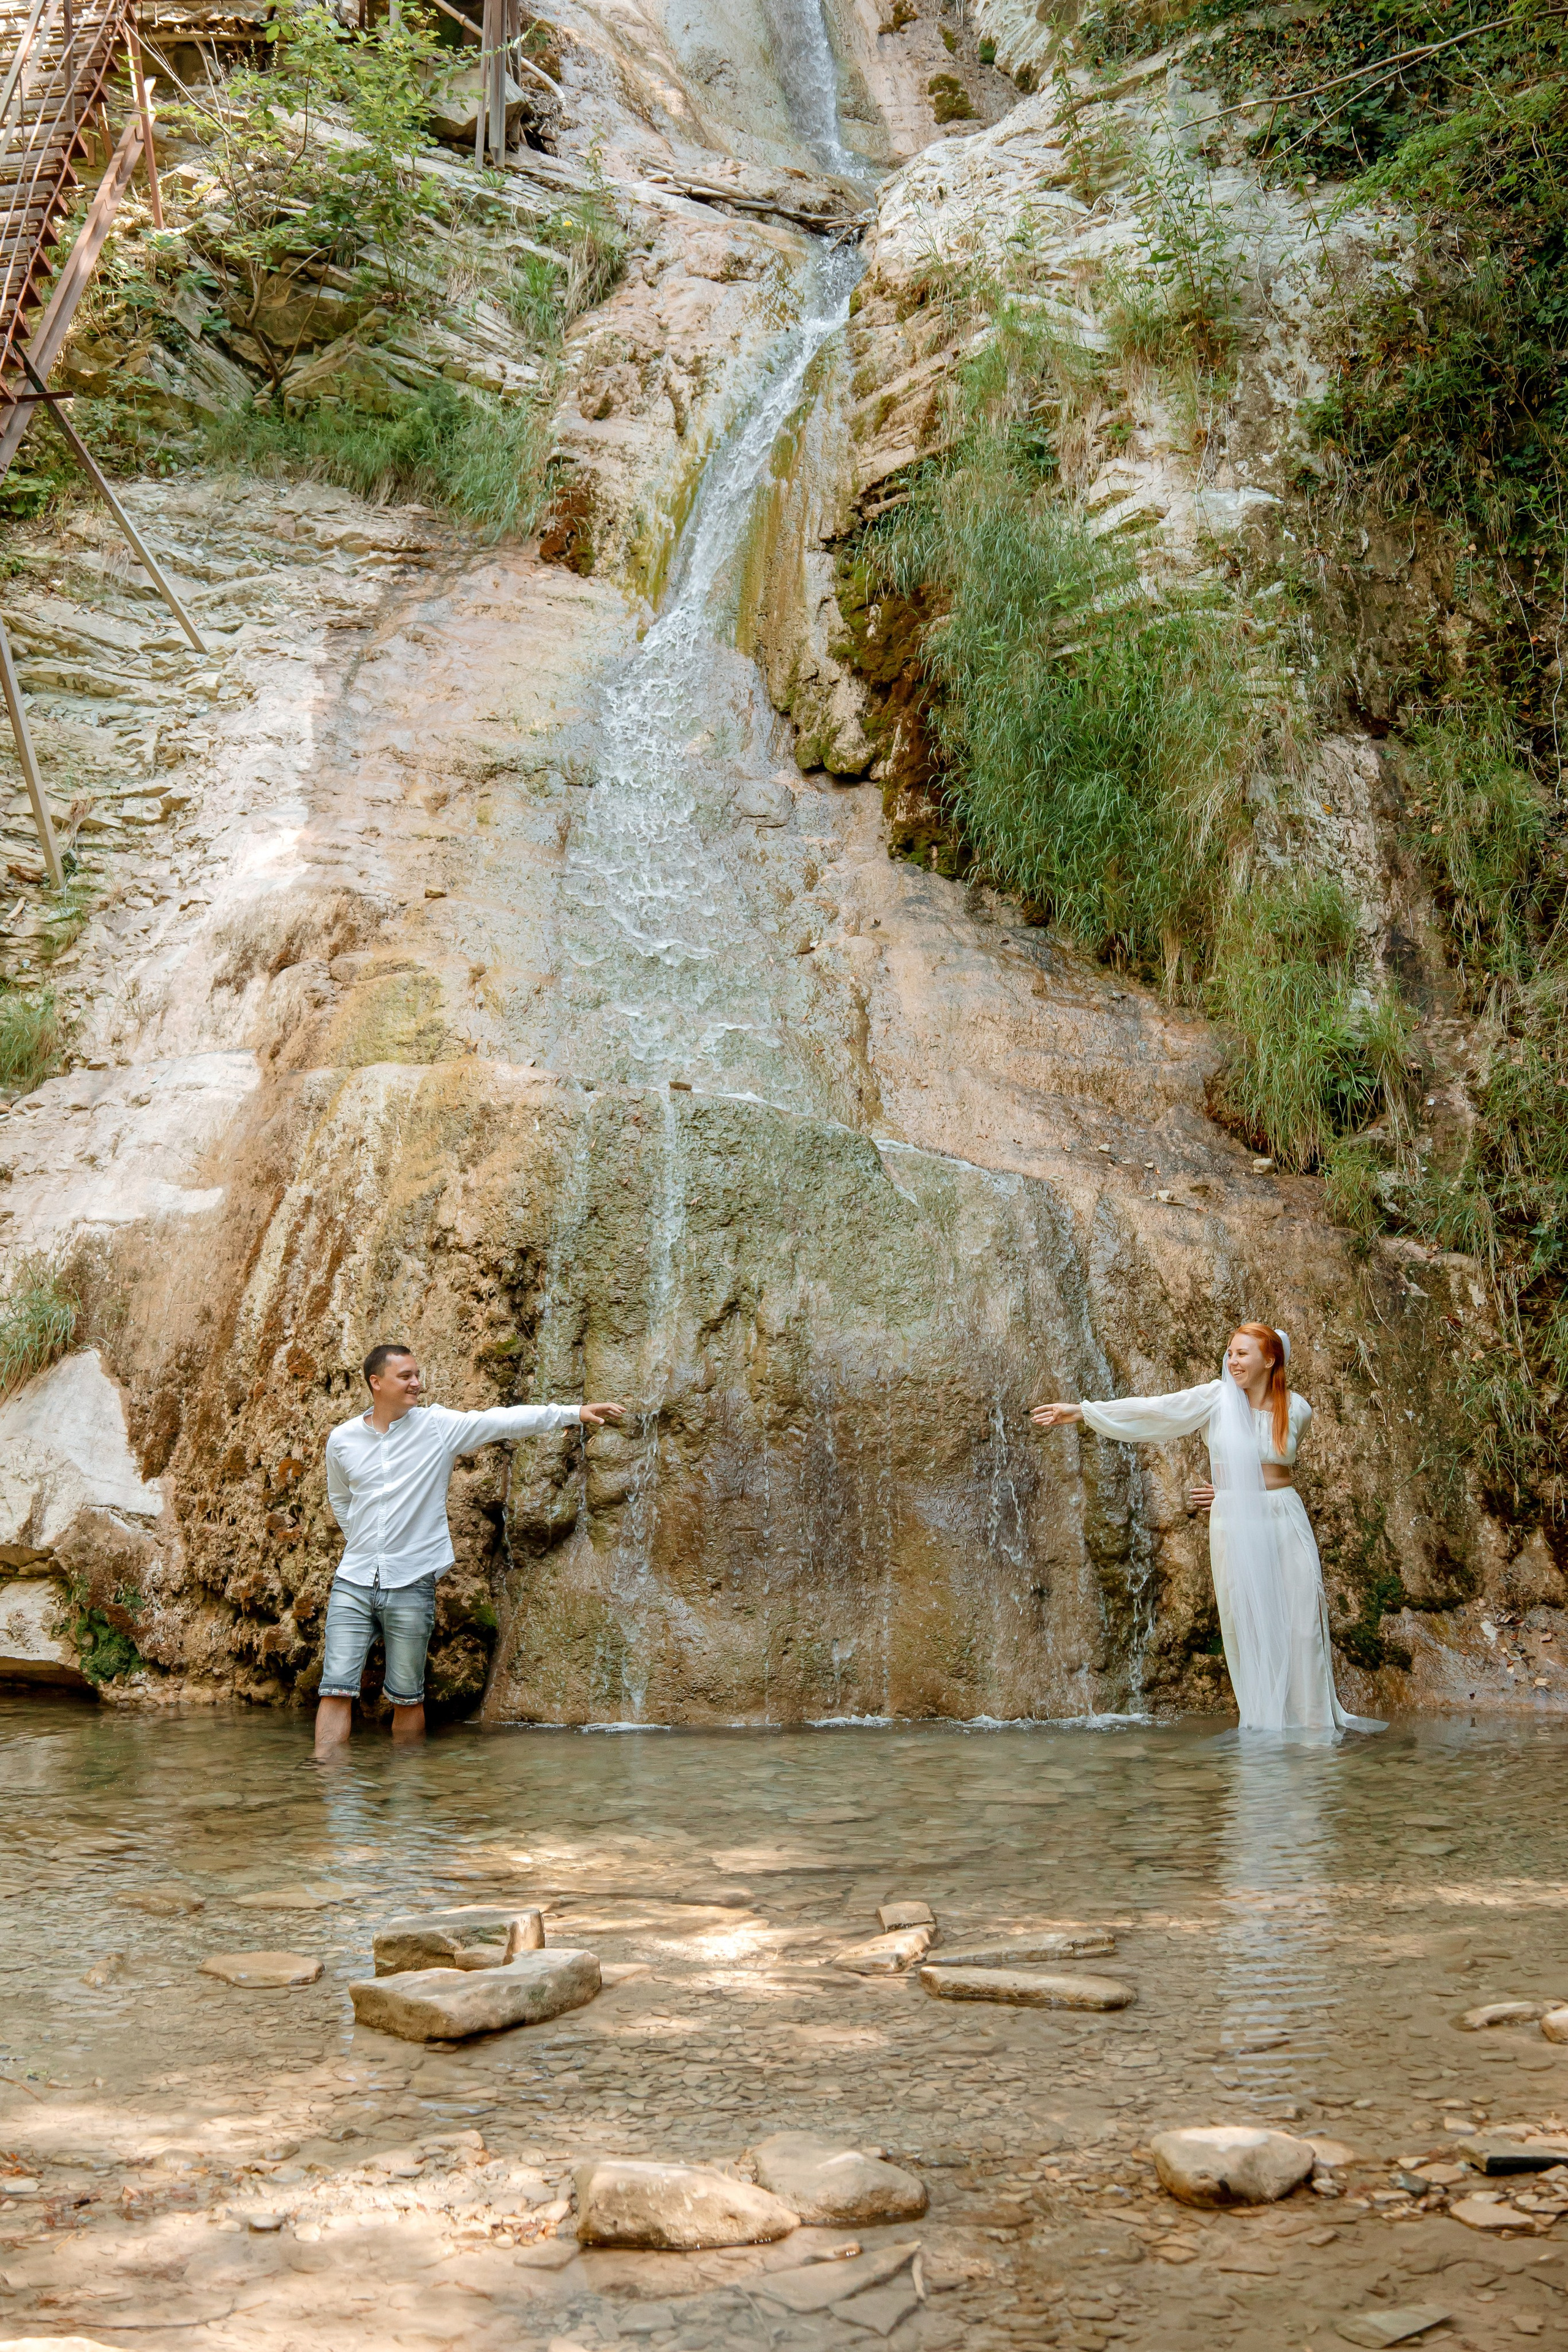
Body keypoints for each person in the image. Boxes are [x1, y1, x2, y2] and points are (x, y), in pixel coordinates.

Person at [1031, 1324, 1383, 1735]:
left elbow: (1271, 1470)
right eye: (1230, 1353)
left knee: (1302, 1621)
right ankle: (1266, 1726)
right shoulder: (1216, 1399)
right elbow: (1156, 1410)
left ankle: (1313, 1728)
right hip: (1234, 1518)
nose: (1233, 1362)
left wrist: (1232, 1488)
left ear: (1270, 1360)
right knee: (1244, 1622)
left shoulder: (1298, 1408)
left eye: (1243, 1354)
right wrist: (1081, 1411)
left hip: (1285, 1517)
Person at [315, 1343, 624, 1757]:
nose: (416, 1383)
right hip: (352, 1581)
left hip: (410, 1581)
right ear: (376, 1382)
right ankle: (330, 1788)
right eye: (405, 1376)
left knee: (407, 1696)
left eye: (417, 1375)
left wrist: (573, 1412)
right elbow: (341, 1499)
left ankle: (407, 1794)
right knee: (335, 1689)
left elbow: (502, 1421)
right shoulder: (343, 1439)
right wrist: (364, 1541)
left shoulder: (437, 1427)